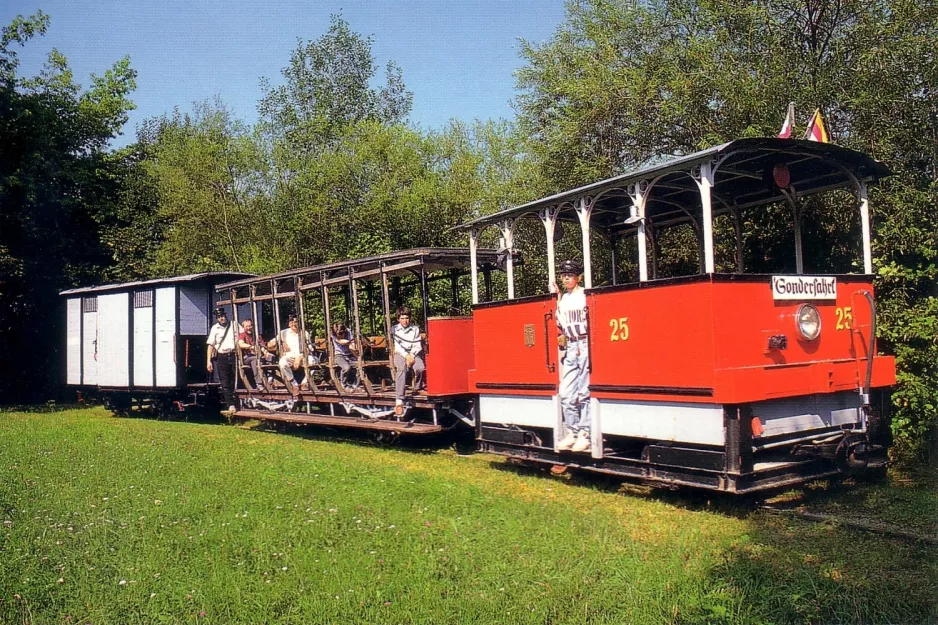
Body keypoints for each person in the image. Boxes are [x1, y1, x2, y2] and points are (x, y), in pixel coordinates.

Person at [551, 259, 591, 453]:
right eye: (564, 275)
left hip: (584, 343)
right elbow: (559, 322)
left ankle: (586, 432)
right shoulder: (564, 299)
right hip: (571, 344)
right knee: (566, 393)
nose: (566, 278)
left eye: (570, 275)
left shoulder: (584, 295)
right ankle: (573, 432)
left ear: (578, 277)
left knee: (584, 391)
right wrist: (557, 296)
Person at [390, 307, 425, 416]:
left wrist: (412, 356)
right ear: (398, 319)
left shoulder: (415, 329)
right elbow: (398, 347)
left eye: (407, 318)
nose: (405, 320)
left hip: (413, 352)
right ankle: (399, 399)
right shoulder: (395, 329)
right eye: (402, 318)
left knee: (420, 368)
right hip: (400, 353)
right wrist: (407, 356)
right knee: (402, 368)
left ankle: (417, 388)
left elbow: (417, 345)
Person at [270, 314, 310, 398]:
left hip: (302, 357)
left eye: (296, 322)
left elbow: (309, 348)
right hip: (290, 357)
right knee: (282, 363)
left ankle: (304, 383)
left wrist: (299, 357)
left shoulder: (304, 333)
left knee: (313, 361)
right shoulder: (284, 333)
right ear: (289, 324)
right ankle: (294, 384)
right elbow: (270, 344)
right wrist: (279, 344)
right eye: (291, 322)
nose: (294, 324)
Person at [206, 307, 236, 414]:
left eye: (222, 316)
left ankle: (236, 402)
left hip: (234, 354)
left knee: (235, 379)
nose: (221, 318)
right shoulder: (215, 328)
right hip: (221, 356)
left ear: (226, 315)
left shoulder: (234, 325)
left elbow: (242, 336)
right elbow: (210, 345)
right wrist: (208, 362)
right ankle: (231, 404)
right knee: (224, 381)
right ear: (217, 318)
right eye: (219, 317)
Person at [237, 318, 270, 390]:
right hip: (247, 357)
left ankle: (271, 380)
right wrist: (250, 347)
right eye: (247, 326)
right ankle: (259, 384)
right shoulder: (242, 335)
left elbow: (262, 346)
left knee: (271, 357)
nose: (249, 328)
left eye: (250, 326)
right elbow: (241, 344)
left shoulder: (257, 335)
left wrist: (266, 352)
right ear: (244, 327)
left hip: (258, 355)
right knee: (255, 360)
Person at [331, 322, 359, 390]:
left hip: (349, 355)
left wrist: (357, 357)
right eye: (338, 335)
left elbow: (351, 347)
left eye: (341, 334)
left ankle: (355, 384)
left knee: (360, 366)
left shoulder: (348, 331)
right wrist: (351, 341)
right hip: (339, 356)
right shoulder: (333, 334)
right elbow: (341, 342)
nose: (340, 336)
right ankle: (343, 383)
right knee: (346, 368)